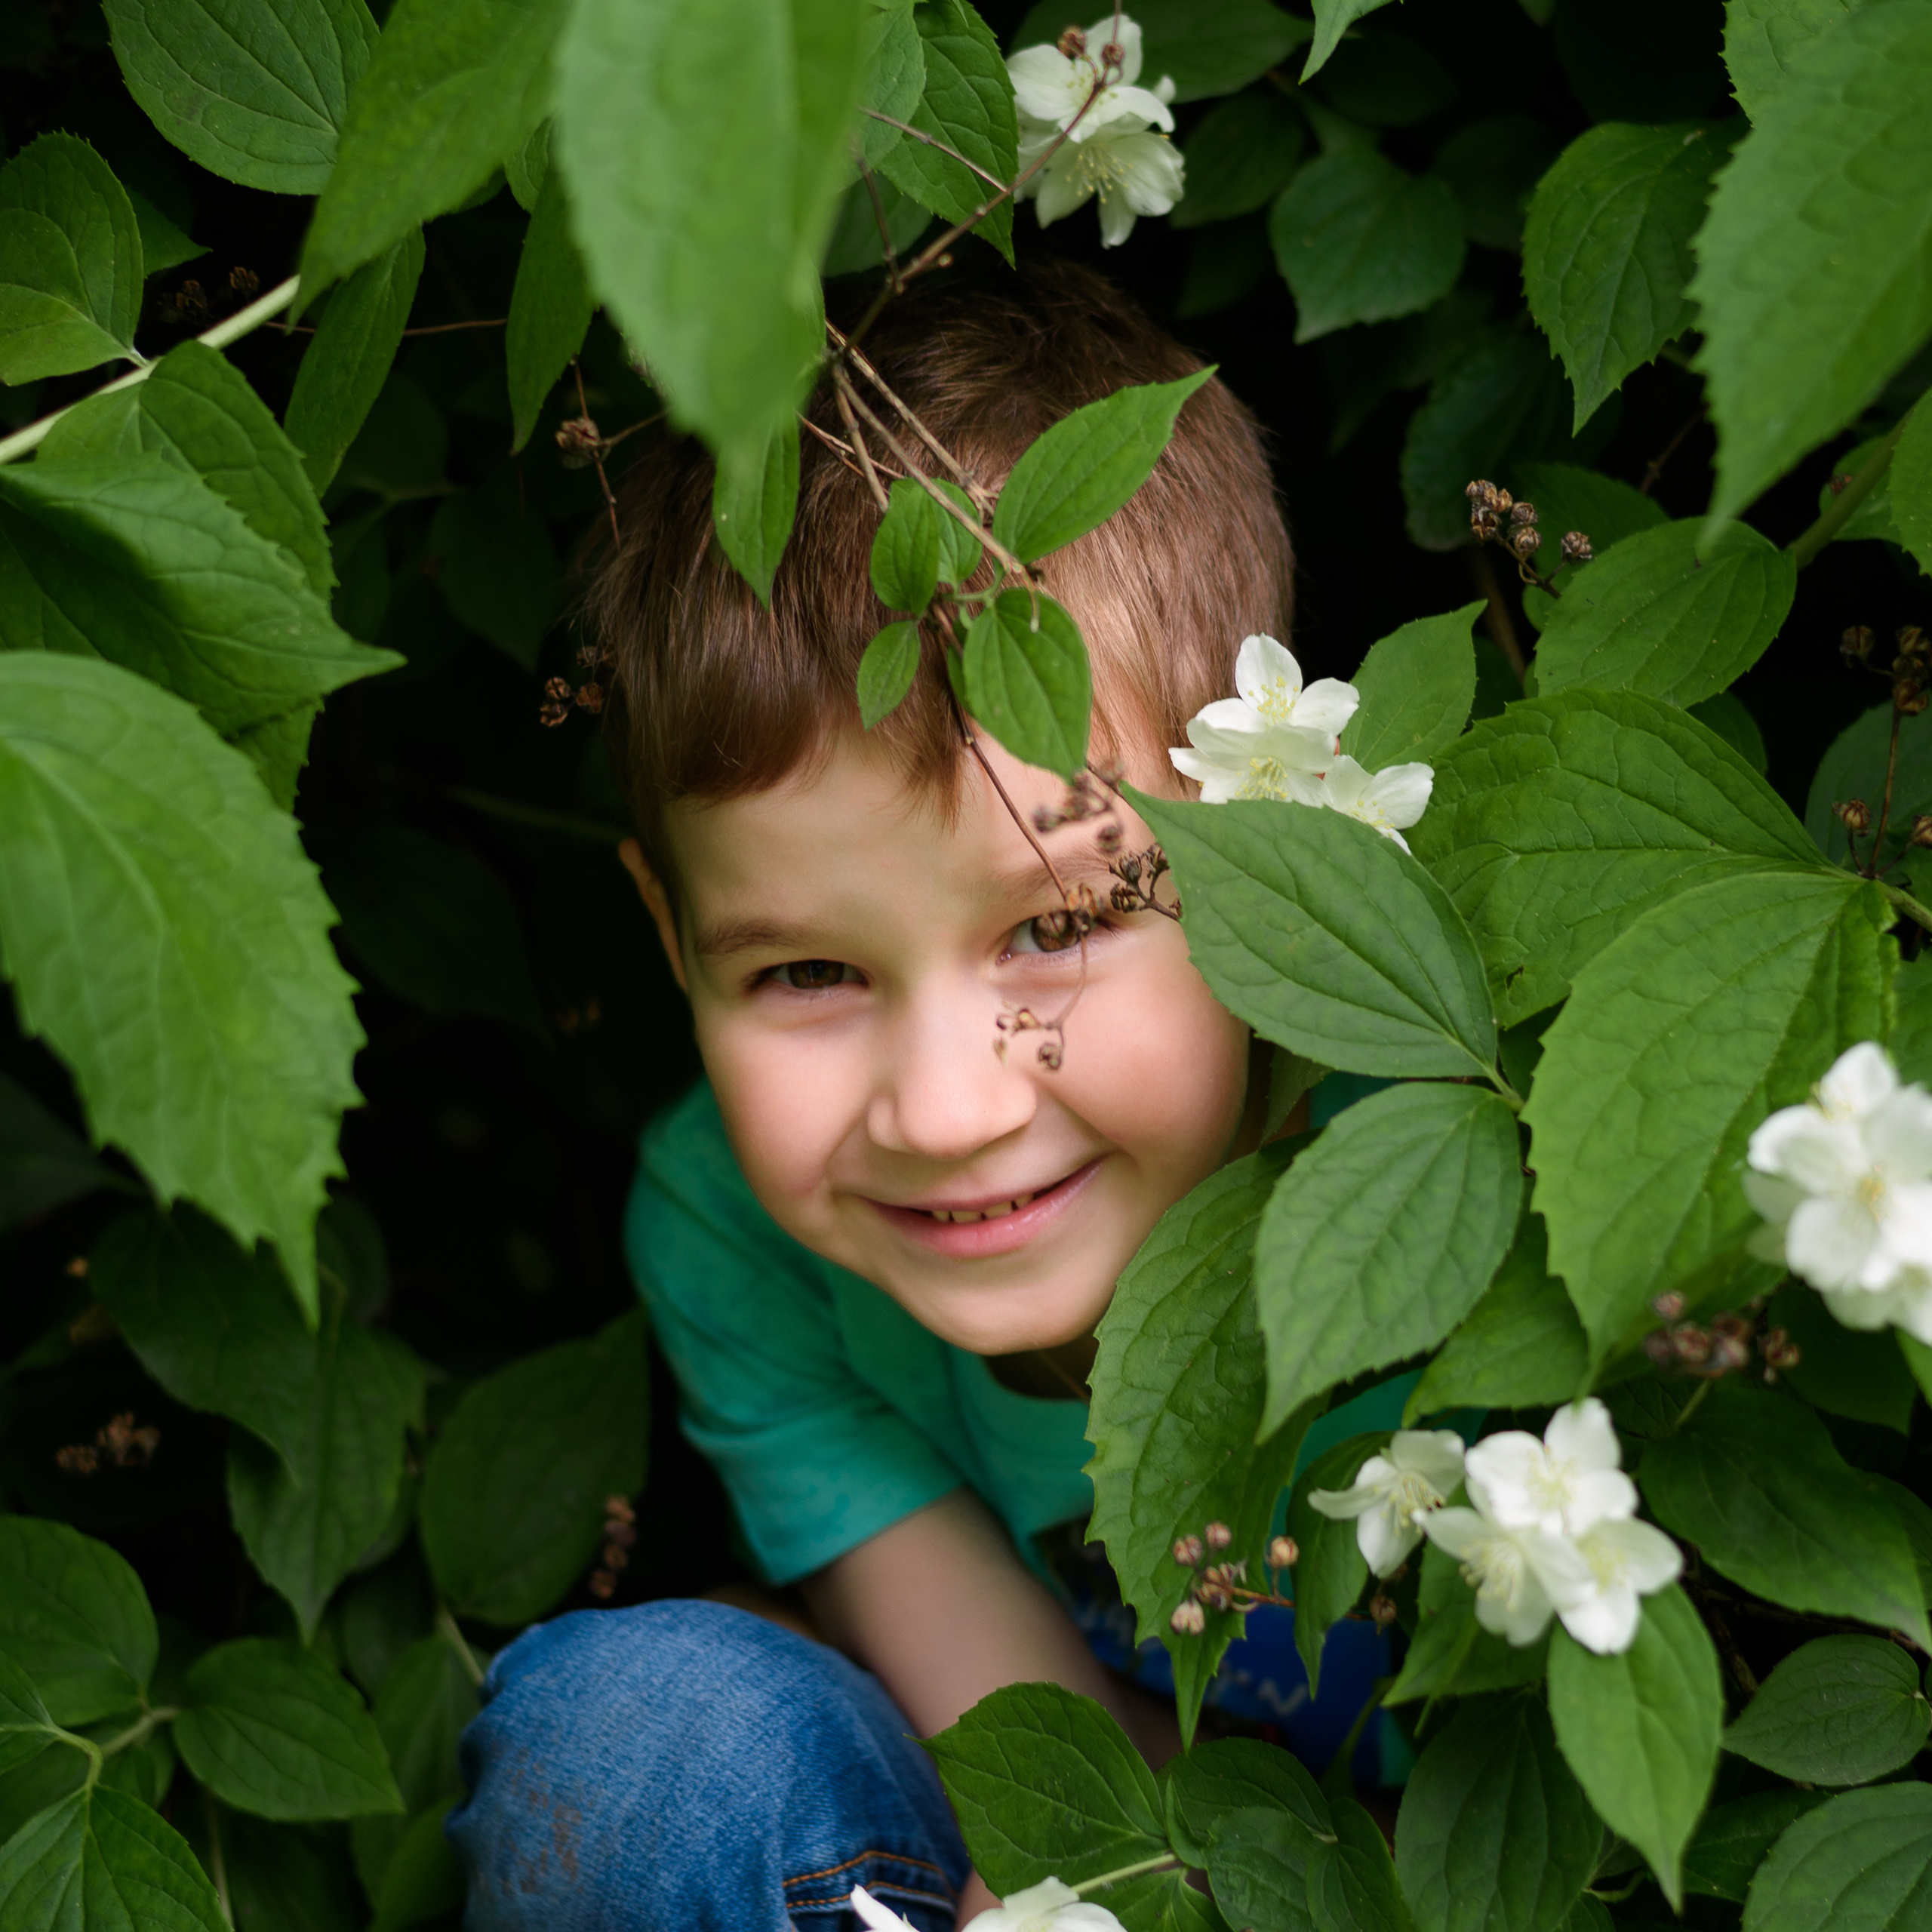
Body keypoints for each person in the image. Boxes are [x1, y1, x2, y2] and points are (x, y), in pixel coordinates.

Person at [447, 260, 1408, 1932]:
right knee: (642, 1743)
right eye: (805, 972)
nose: (948, 1110)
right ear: (671, 936)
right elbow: (1043, 1778)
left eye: (1051, 926)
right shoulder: (731, 1227)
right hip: (1132, 1833)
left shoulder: (1434, 1164)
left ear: (1277, 826)